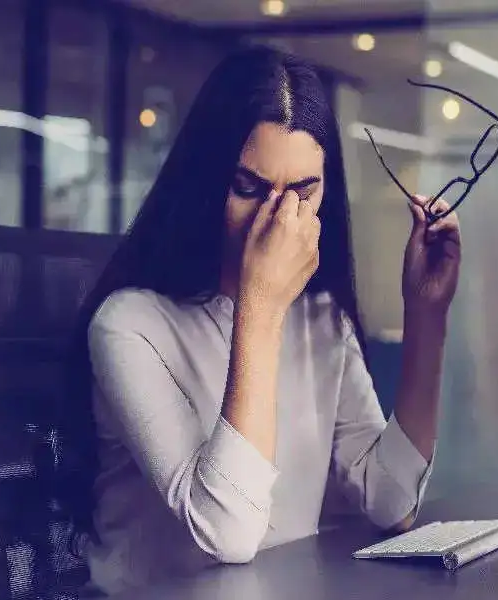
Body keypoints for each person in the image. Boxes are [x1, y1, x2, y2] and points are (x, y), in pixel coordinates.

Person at [62, 45, 461, 594]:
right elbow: (227, 533)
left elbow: (390, 501)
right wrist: (262, 306)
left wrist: (427, 317)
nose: (277, 219)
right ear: (207, 181)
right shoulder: (128, 325)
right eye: (249, 189)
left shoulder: (321, 320)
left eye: (303, 192)